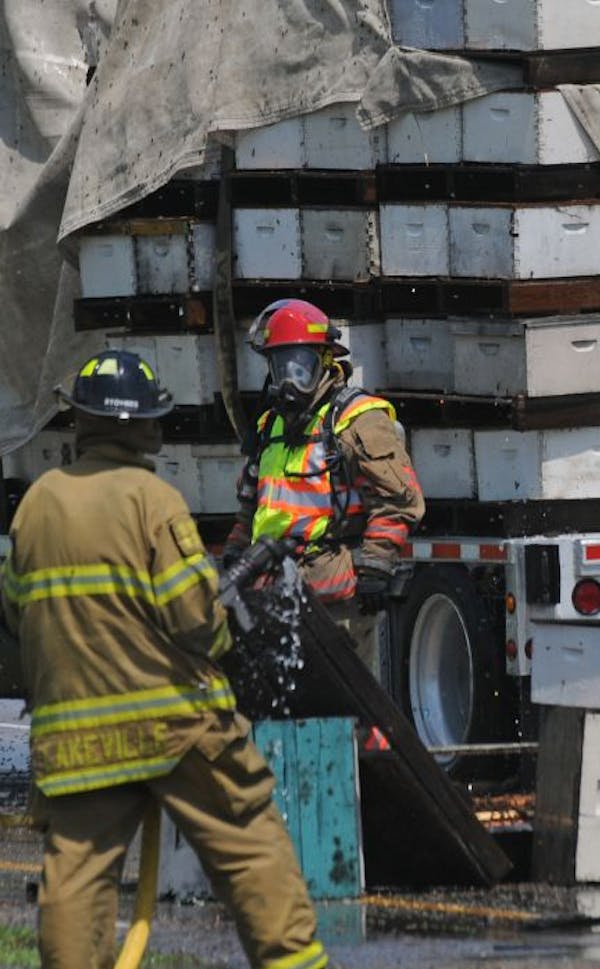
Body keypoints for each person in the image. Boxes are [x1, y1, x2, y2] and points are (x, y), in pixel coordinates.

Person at [1, 350, 327, 969]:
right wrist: (228, 634)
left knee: (76, 872)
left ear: (82, 420)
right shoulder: (153, 501)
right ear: (144, 425)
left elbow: (17, 612)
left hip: (75, 735)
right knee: (248, 839)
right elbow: (193, 620)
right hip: (174, 725)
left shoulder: (37, 505)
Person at [224, 298, 424, 673]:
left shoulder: (355, 421)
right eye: (279, 366)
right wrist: (236, 555)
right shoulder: (270, 426)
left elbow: (399, 502)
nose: (289, 380)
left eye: (299, 367)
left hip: (336, 604)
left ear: (325, 361)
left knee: (348, 716)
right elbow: (251, 509)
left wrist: (374, 569)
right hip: (272, 600)